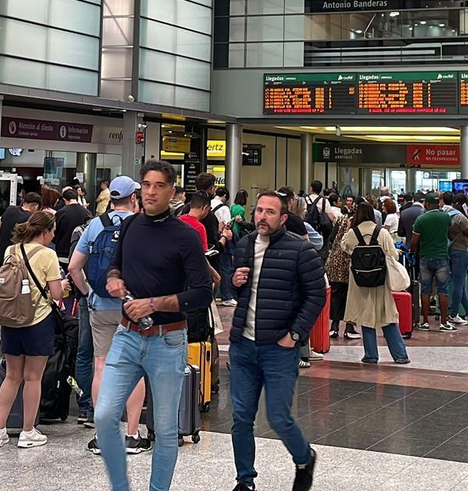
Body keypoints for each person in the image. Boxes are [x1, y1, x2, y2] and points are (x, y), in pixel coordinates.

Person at [94, 161, 213, 491]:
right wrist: (114, 280)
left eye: (159, 186)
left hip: (168, 340)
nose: (150, 192)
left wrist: (154, 304)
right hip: (127, 336)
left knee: (164, 428)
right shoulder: (131, 225)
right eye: (146, 185)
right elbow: (115, 266)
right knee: (104, 416)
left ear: (172, 191)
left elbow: (202, 292)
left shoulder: (185, 236)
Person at [228, 190, 325, 491]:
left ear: (283, 218)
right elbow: (239, 293)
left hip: (278, 348)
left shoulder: (300, 250)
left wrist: (294, 334)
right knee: (241, 417)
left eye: (270, 212)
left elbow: (316, 296)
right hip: (243, 345)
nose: (262, 217)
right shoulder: (244, 245)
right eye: (259, 210)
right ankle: (245, 480)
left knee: (279, 417)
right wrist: (234, 283)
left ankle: (304, 458)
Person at [68, 176, 149, 455]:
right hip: (133, 307)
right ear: (134, 198)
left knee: (101, 366)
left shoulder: (95, 225)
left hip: (100, 305)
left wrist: (88, 292)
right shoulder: (141, 225)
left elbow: (74, 266)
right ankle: (132, 435)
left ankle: (102, 435)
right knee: (135, 368)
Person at [0, 211, 64, 449]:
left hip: (11, 320)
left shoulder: (12, 250)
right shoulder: (48, 254)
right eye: (52, 231)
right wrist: (63, 285)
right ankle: (28, 431)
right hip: (37, 321)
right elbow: (57, 294)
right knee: (33, 377)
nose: (53, 236)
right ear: (45, 231)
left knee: (12, 376)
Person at [338, 200, 409, 364]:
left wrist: (348, 228)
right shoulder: (381, 232)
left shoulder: (353, 233)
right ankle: (400, 355)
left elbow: (344, 247)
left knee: (366, 317)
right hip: (380, 280)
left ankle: (371, 355)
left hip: (359, 281)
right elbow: (392, 254)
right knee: (387, 316)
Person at [409, 193, 454, 332]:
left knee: (425, 290)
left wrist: (412, 251)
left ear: (427, 204)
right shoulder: (446, 217)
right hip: (442, 257)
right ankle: (444, 322)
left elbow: (414, 241)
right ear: (438, 203)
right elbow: (449, 233)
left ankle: (425, 322)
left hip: (425, 257)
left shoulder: (421, 219)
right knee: (443, 291)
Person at [444, 194, 468, 327]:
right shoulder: (461, 218)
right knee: (459, 285)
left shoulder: (446, 214)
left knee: (459, 284)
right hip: (461, 251)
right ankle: (454, 314)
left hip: (449, 251)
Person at [324, 205, 356, 340]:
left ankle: (334, 327)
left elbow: (331, 238)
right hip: (351, 264)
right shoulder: (358, 222)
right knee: (351, 297)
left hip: (335, 262)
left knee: (336, 296)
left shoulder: (341, 219)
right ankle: (349, 328)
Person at [0, 192, 41, 278]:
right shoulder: (31, 219)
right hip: (16, 262)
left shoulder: (9, 209)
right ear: (36, 207)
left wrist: (4, 240)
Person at [53, 186, 93, 261]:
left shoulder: (61, 213)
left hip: (62, 251)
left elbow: (54, 232)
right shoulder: (87, 213)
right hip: (80, 253)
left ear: (64, 199)